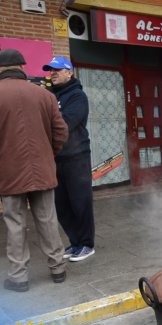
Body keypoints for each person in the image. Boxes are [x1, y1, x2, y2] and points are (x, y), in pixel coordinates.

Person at [0, 49, 69, 292]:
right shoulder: (45, 95)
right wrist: (49, 154)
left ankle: (19, 277)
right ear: (22, 66)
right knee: (48, 219)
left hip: (8, 171)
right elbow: (61, 132)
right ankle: (58, 268)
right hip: (42, 168)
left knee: (15, 223)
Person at [42, 56, 95, 262]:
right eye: (50, 70)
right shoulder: (49, 96)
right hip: (56, 158)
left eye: (57, 69)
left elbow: (66, 122)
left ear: (69, 72)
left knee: (80, 202)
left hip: (77, 157)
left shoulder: (77, 96)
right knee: (61, 204)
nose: (52, 73)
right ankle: (75, 243)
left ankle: (87, 244)